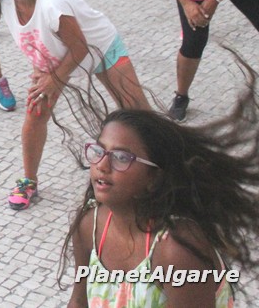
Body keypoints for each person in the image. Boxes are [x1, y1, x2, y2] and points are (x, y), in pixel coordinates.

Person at [0, 0, 149, 212]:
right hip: (59, 59)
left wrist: (53, 80)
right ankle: (29, 181)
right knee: (35, 115)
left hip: (100, 48)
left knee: (138, 112)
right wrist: (41, 73)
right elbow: (35, 38)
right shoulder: (6, 2)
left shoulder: (52, 2)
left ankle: (163, 166)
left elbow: (80, 47)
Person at [63, 104, 257, 307]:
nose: (102, 165)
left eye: (121, 157)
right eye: (99, 151)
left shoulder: (177, 250)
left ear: (154, 178)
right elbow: (78, 302)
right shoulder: (88, 225)